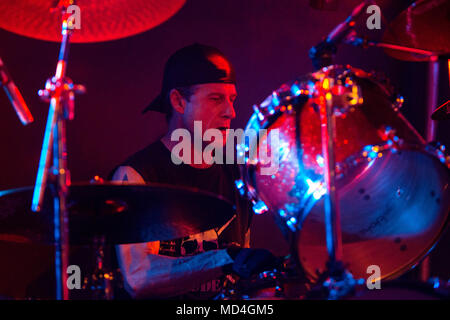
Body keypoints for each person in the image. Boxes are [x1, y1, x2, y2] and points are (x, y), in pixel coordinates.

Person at [110, 44, 277, 299]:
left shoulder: (238, 174)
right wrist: (226, 258)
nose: (230, 112)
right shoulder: (136, 177)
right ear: (178, 101)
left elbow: (239, 277)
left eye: (232, 100)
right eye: (215, 99)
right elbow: (138, 278)